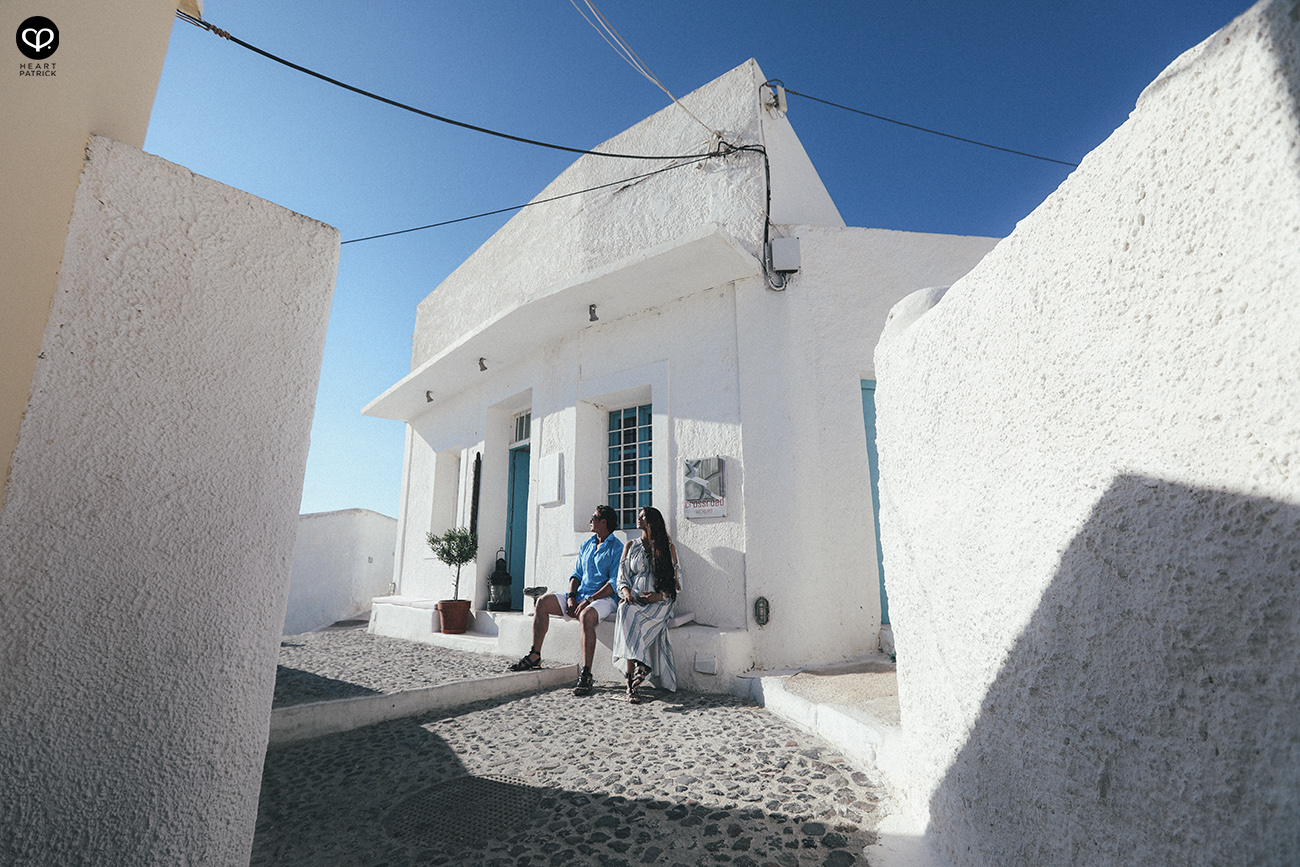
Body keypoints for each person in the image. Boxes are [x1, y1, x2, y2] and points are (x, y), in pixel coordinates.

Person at [509, 503, 622, 697]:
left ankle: (586, 674)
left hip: (605, 599)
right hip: (581, 595)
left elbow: (614, 583)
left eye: (593, 518)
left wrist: (589, 600)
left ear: (603, 522)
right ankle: (535, 655)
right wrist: (571, 598)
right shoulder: (587, 544)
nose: (590, 521)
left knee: (586, 616)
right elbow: (576, 575)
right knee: (542, 602)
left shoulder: (617, 547)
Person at [611, 506, 680, 704]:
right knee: (625, 609)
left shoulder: (667, 547)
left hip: (660, 603)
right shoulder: (630, 546)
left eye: (643, 516)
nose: (639, 518)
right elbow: (622, 576)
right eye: (639, 515)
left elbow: (675, 583)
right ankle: (638, 670)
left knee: (631, 618)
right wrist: (626, 593)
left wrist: (656, 597)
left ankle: (631, 681)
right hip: (636, 599)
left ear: (652, 522)